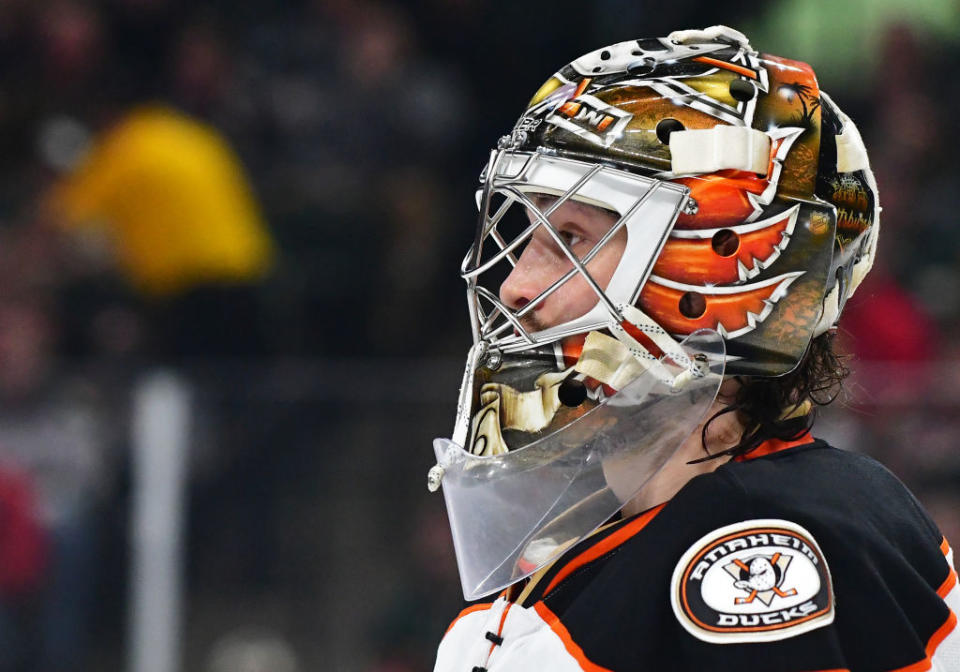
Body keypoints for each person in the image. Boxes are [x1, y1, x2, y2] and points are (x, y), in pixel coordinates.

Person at [427, 26, 959, 671]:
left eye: (571, 237)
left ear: (719, 273)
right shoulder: (630, 530)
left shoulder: (763, 547)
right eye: (529, 234)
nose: (516, 286)